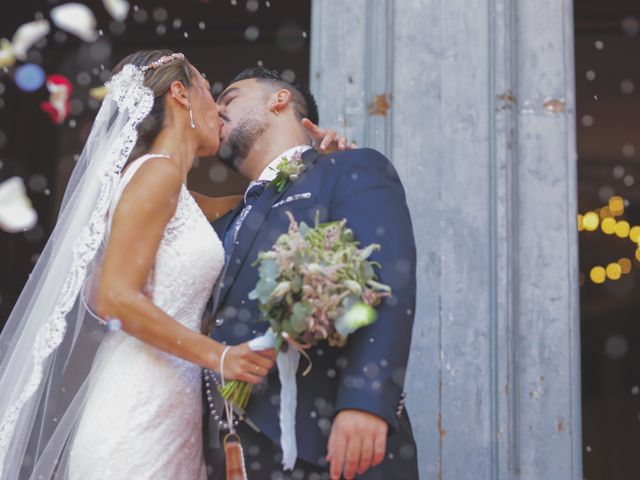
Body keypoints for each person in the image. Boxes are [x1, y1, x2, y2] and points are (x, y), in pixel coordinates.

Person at [0, 50, 348, 479]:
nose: (218, 109)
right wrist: (220, 356)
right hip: (136, 412)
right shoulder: (156, 175)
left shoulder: (175, 190)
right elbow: (113, 298)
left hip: (171, 412)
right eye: (208, 89)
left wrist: (317, 164)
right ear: (181, 94)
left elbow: (260, 203)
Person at [206, 67, 419, 480]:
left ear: (278, 100)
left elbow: (389, 281)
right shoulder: (217, 225)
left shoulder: (346, 169)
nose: (216, 111)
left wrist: (365, 401)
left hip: (331, 448)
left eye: (229, 99)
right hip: (231, 456)